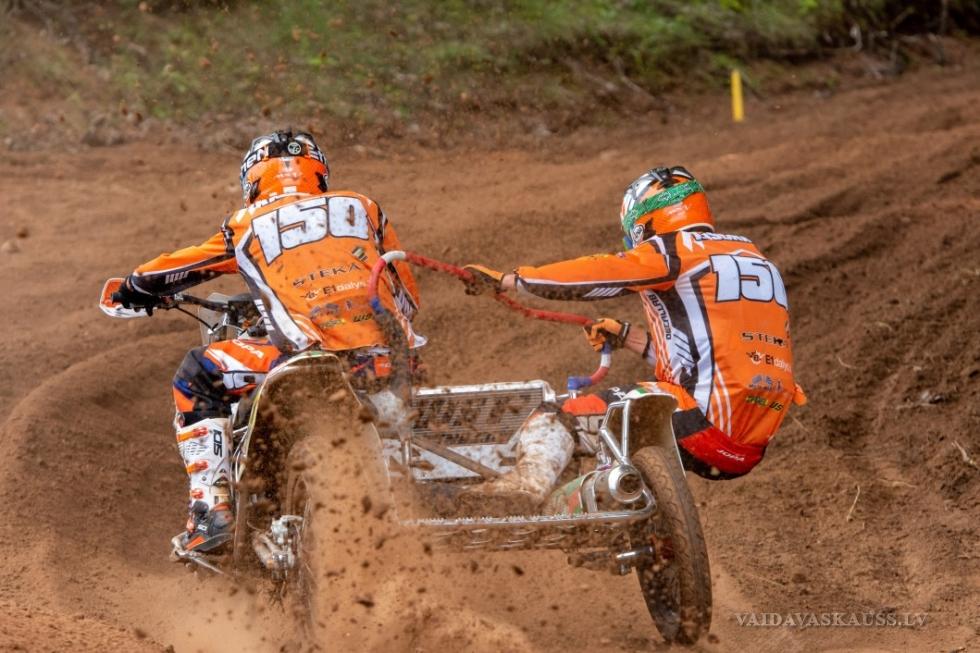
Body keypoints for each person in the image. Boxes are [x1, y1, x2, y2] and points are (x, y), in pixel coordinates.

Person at [108, 130, 422, 553]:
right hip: (383, 356)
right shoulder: (364, 207)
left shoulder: (246, 223)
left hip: (301, 351)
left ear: (252, 182)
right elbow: (407, 297)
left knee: (196, 375)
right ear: (320, 174)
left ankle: (211, 511)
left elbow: (168, 272)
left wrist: (134, 286)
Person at [461, 166, 805, 489]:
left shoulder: (676, 250)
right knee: (630, 428)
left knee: (555, 418)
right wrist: (628, 336)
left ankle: (525, 489)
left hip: (700, 423)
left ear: (643, 223)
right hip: (750, 444)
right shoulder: (754, 258)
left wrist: (512, 280)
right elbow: (708, 358)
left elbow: (600, 272)